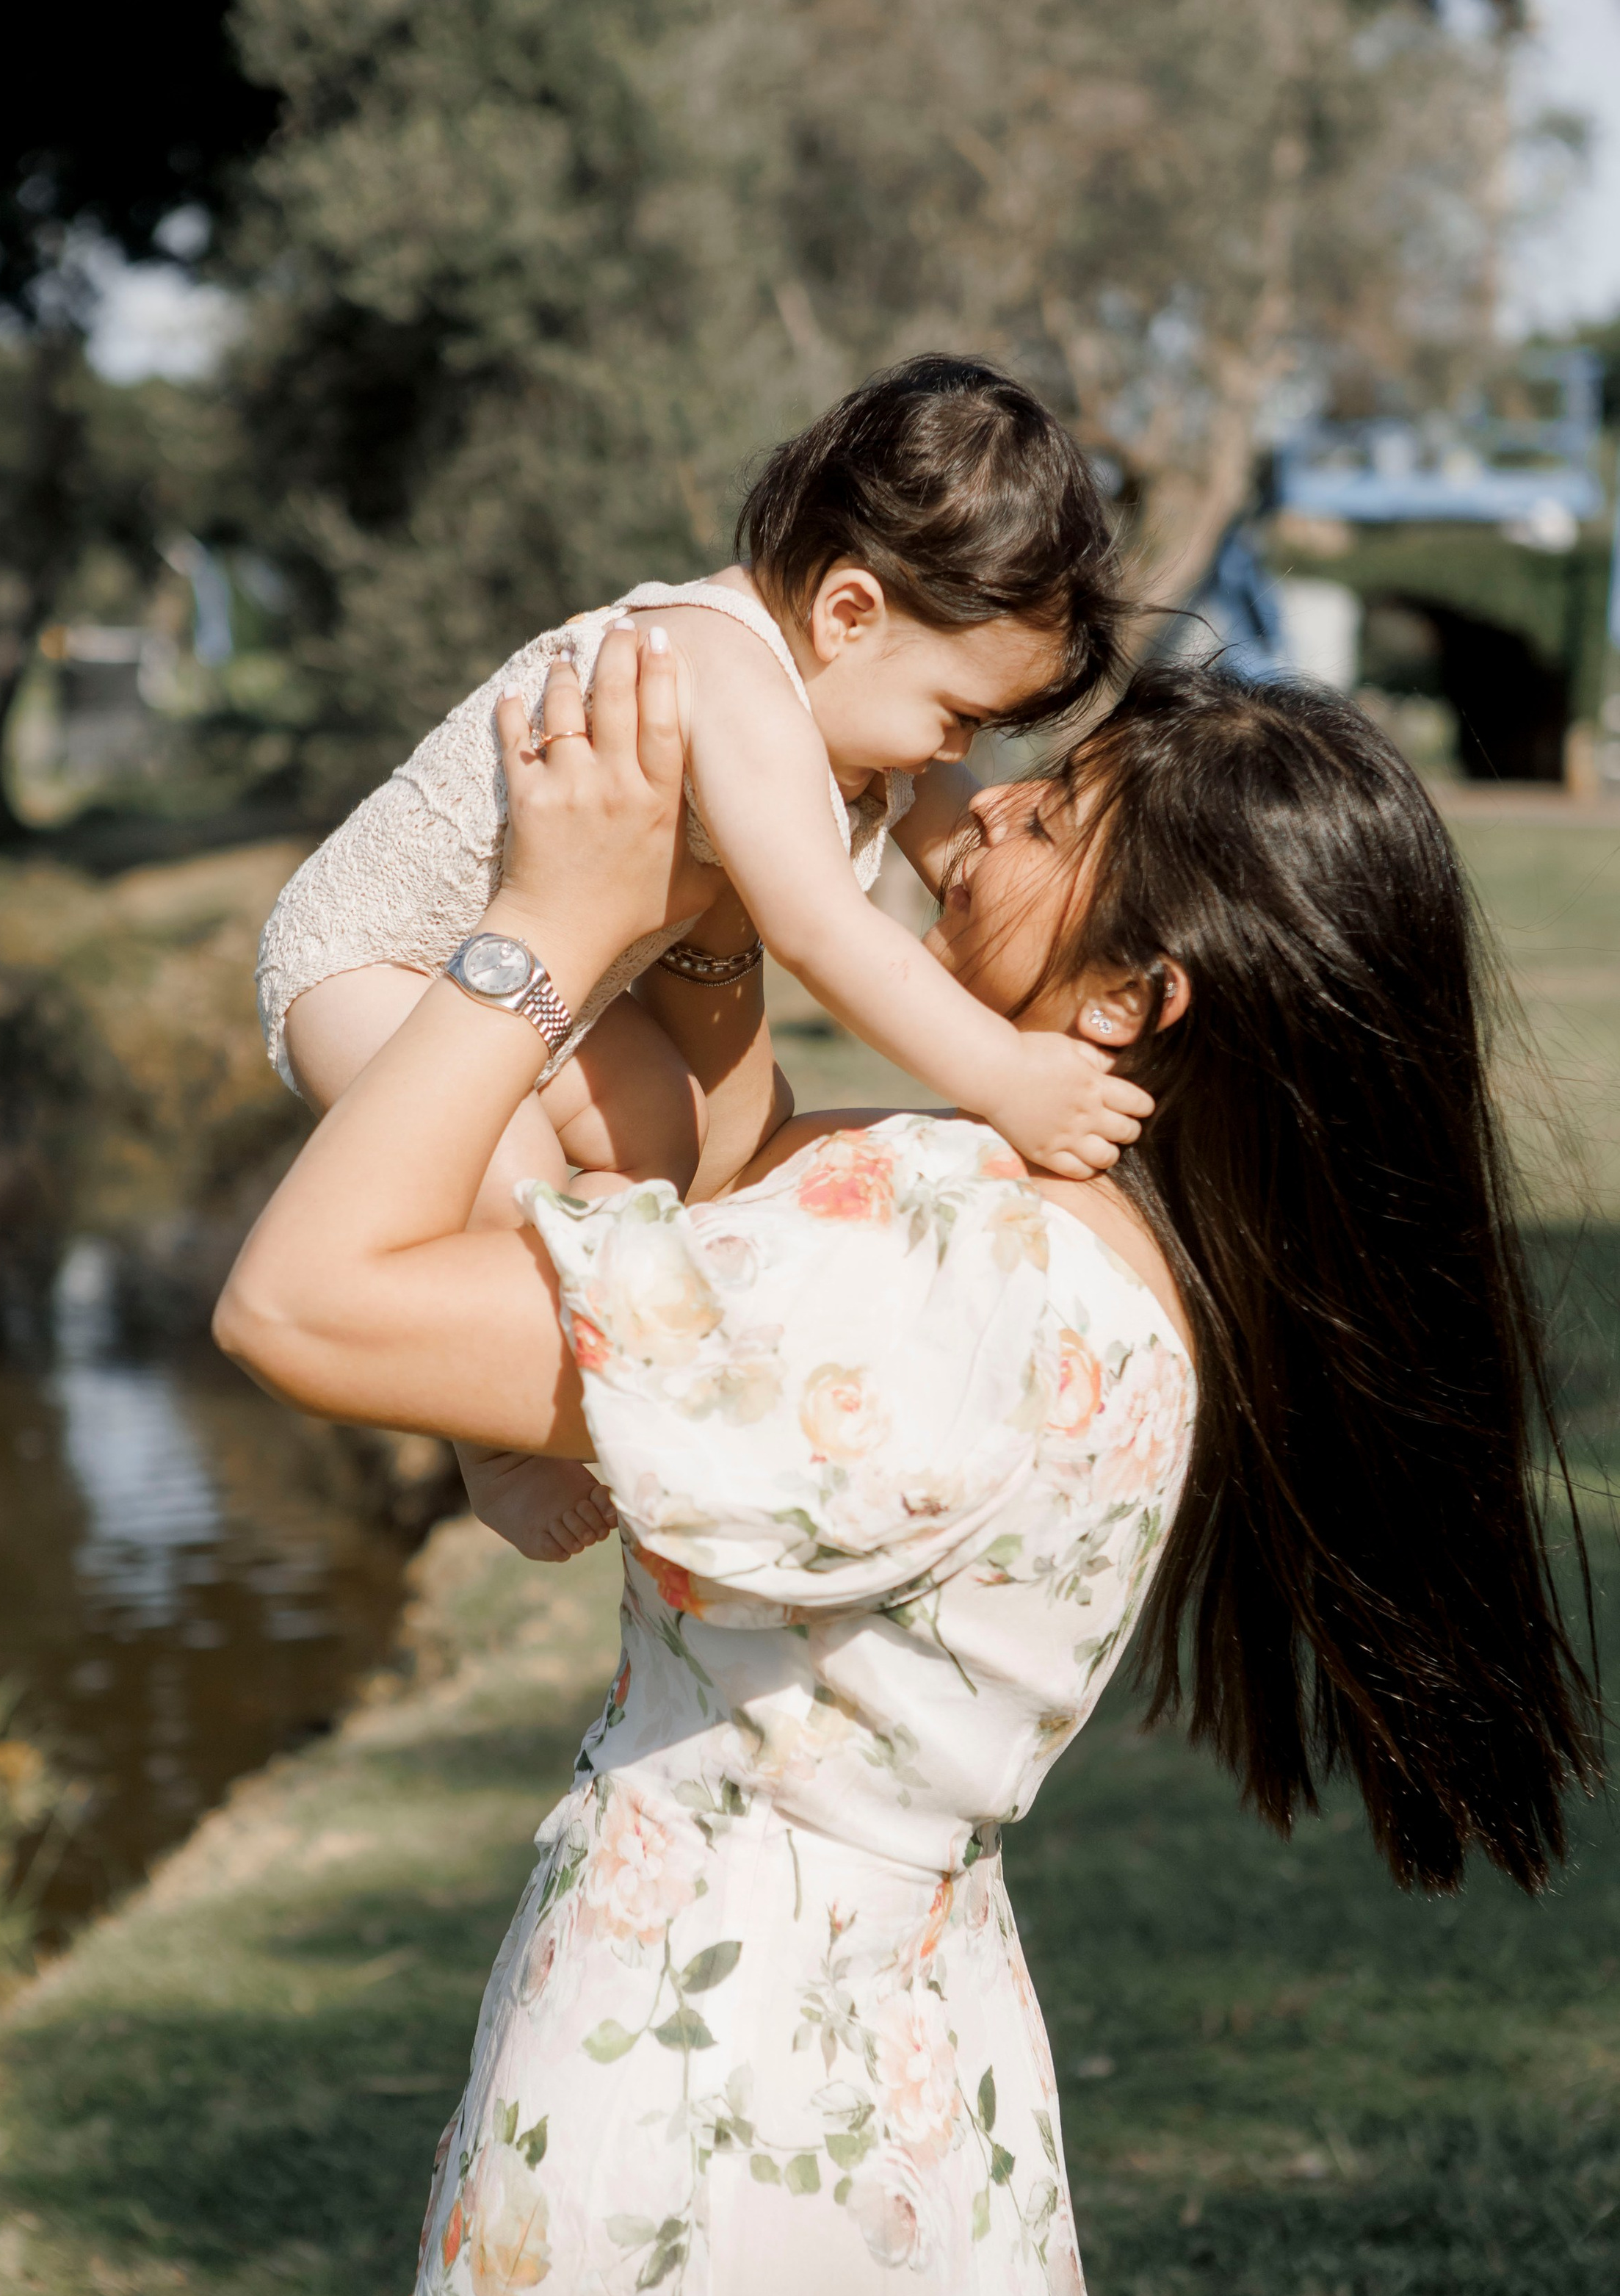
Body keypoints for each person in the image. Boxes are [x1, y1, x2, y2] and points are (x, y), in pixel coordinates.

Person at [215, 629, 1597, 2296]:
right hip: (910, 2086)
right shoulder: (1110, 1267)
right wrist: (700, 939)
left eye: (1057, 812)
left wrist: (533, 933)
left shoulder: (947, 1260)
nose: (984, 809)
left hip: (697, 2082)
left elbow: (310, 1307)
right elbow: (737, 1212)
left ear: (1137, 996)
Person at [256, 356, 1151, 1563]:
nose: (958, 760)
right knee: (504, 1168)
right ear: (849, 615)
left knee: (666, 1137)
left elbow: (965, 864)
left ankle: (587, 1301)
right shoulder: (721, 669)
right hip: (375, 956)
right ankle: (494, 1452)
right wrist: (1005, 1078)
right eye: (957, 717)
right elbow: (820, 927)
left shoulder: (866, 707)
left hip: (554, 987)